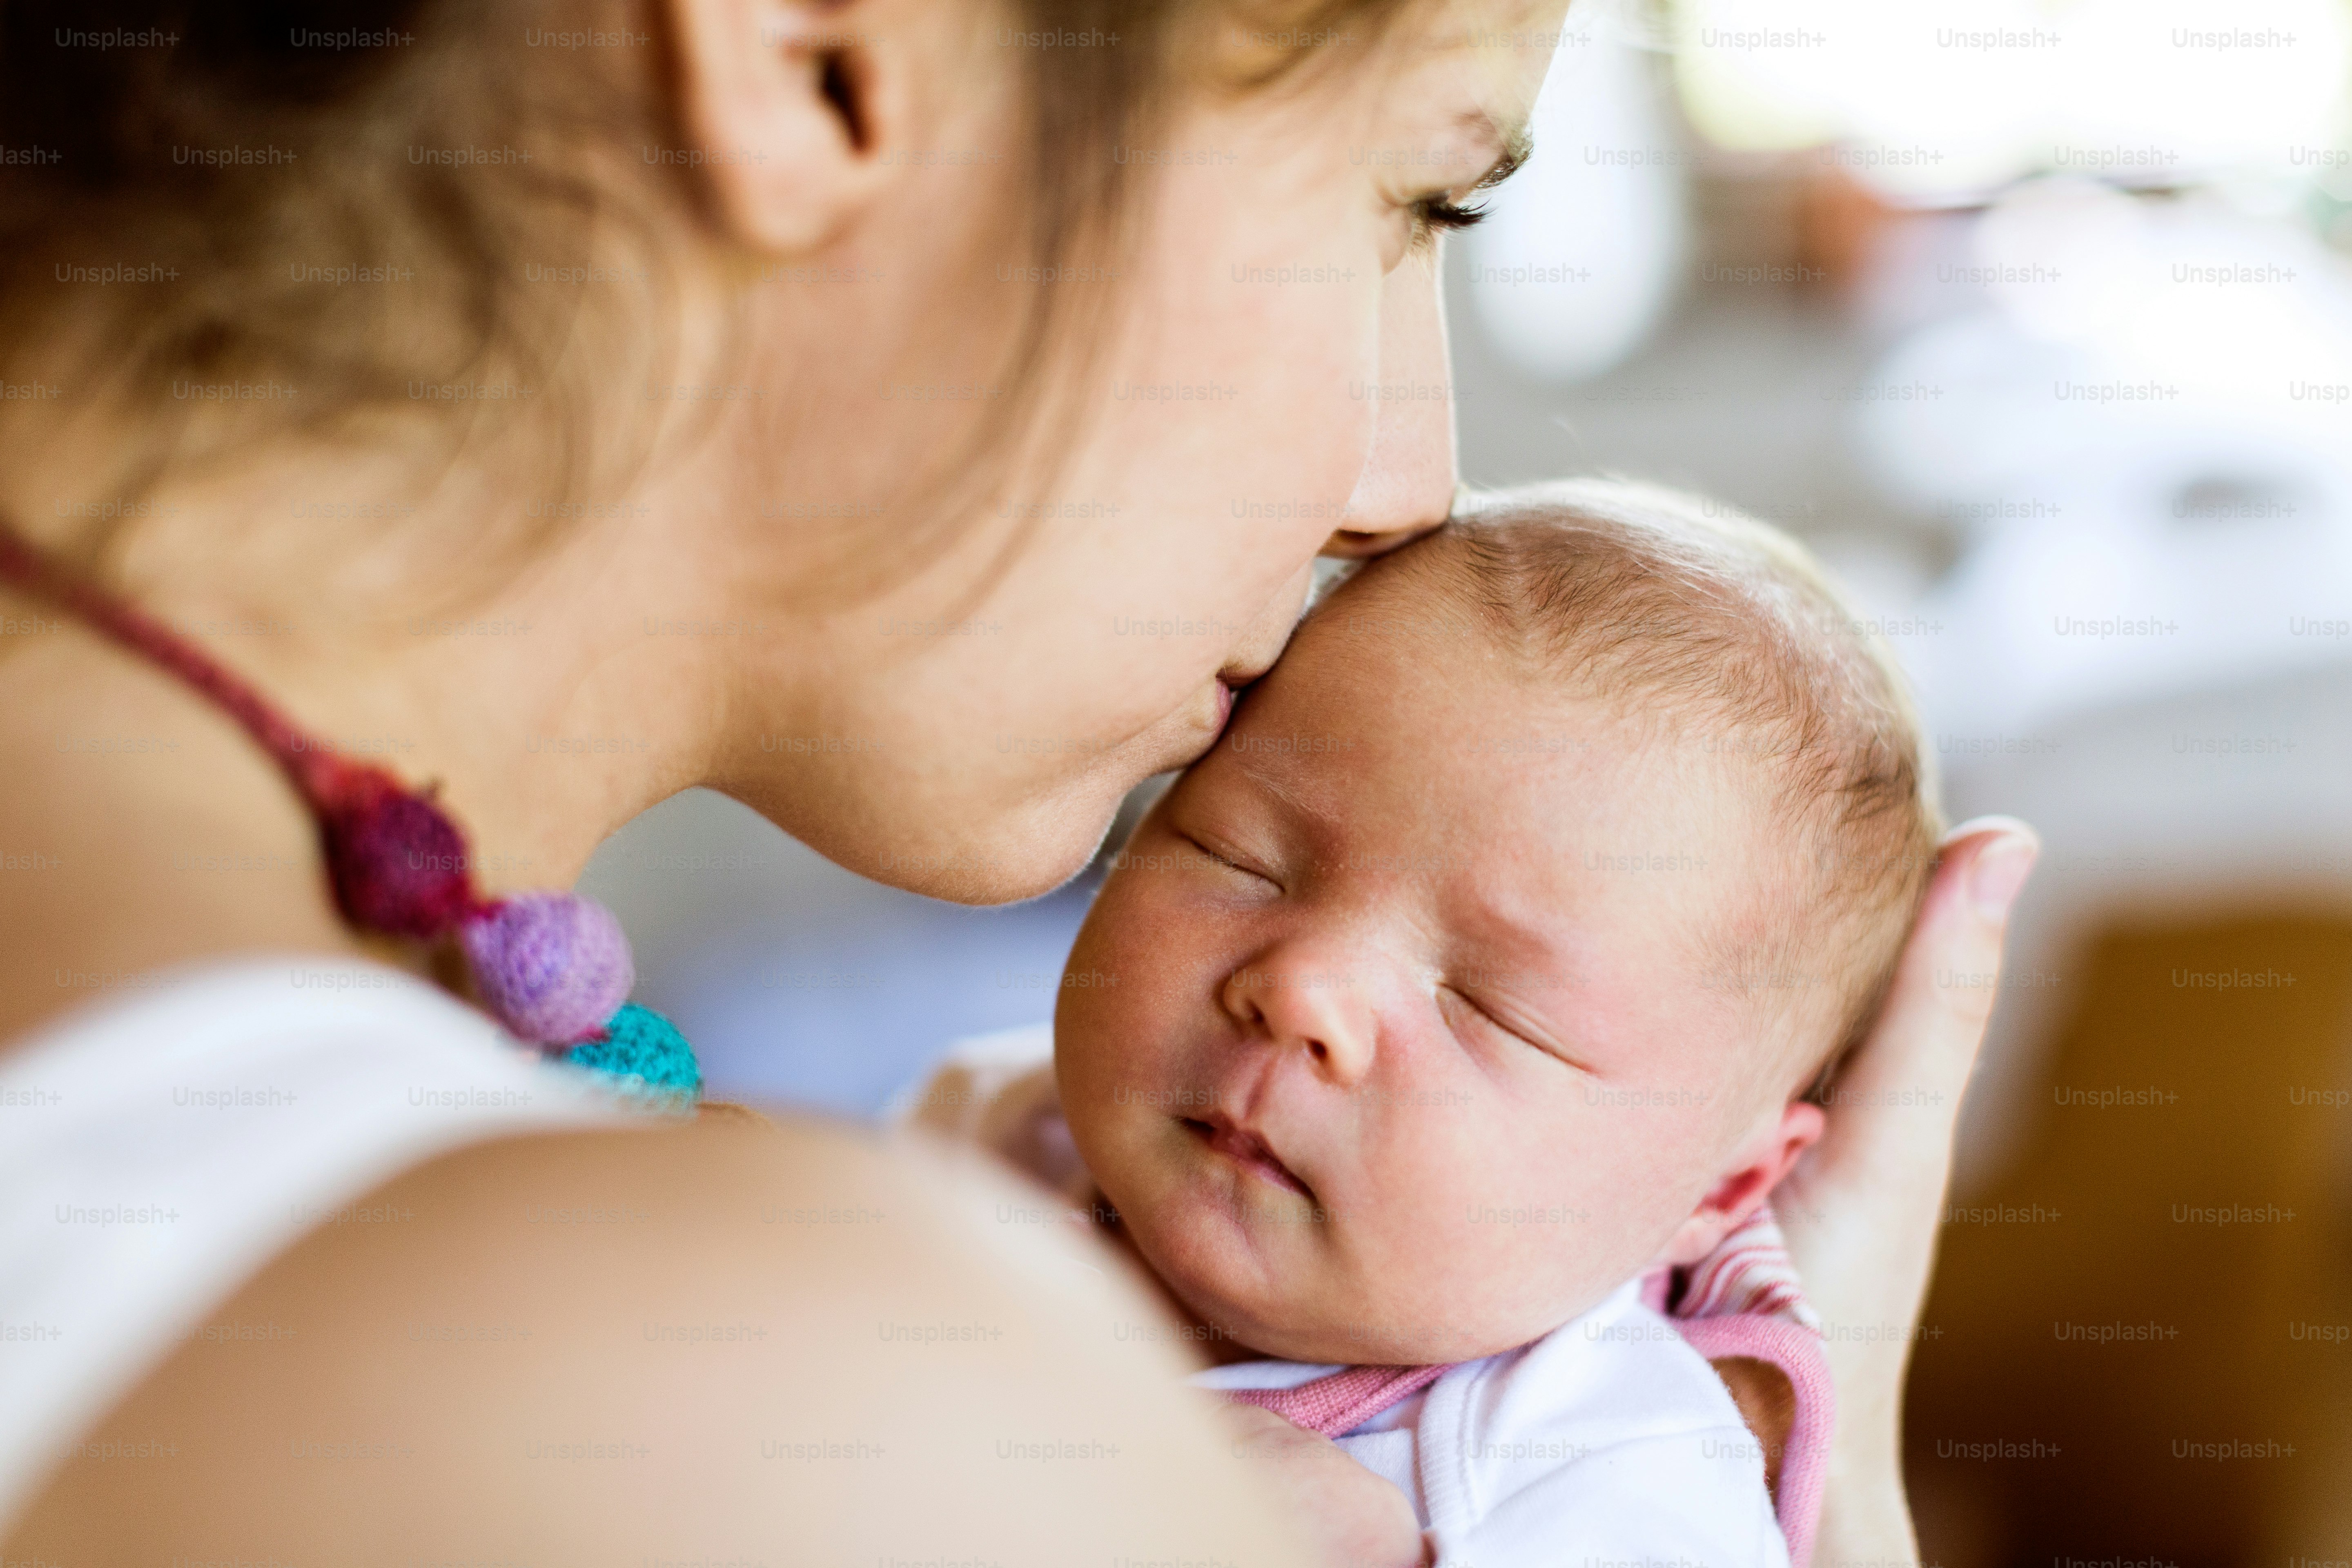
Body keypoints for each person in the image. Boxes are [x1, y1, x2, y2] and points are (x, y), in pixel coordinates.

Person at [0, 1, 2038, 1563]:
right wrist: (1828, 1493)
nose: (1409, 480)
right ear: (827, 55)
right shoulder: (818, 1425)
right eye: (1410, 202)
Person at [906, 481, 1946, 1568]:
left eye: (1490, 1007)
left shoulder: (1604, 1462)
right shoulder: (993, 1125)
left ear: (1721, 1191)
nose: (1307, 989)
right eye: (1240, 860)